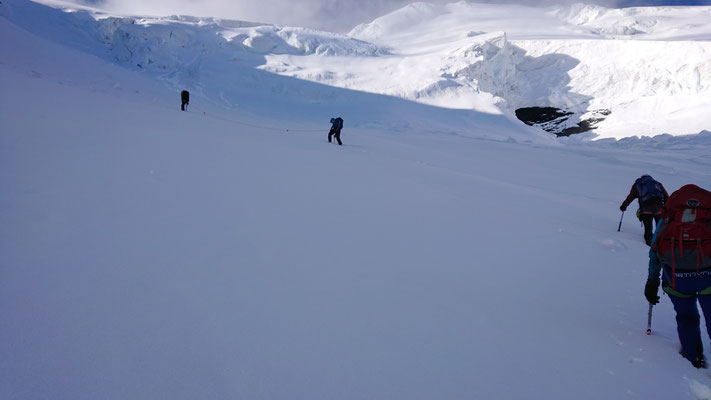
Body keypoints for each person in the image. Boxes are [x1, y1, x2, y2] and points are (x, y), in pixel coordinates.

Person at [645, 184, 711, 369]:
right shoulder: (707, 216)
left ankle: (693, 358)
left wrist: (652, 282)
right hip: (708, 277)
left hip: (676, 279)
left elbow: (654, 251)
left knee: (686, 317)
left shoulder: (668, 218)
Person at [620, 175, 669, 245]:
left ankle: (649, 244)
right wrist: (666, 208)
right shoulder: (657, 184)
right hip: (659, 208)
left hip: (646, 209)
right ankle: (661, 243)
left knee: (648, 228)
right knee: (660, 227)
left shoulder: (638, 185)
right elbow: (666, 197)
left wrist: (623, 206)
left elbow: (630, 197)